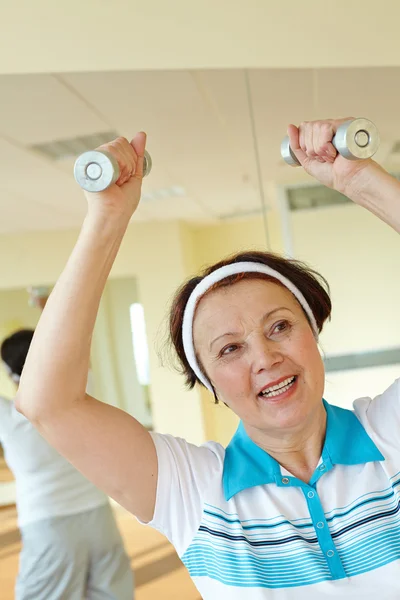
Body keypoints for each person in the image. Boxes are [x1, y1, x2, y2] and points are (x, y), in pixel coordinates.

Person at [14, 120, 400, 599]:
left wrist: (360, 181)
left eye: (280, 326)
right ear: (210, 382)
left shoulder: (390, 434)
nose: (265, 358)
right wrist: (108, 217)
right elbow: (49, 403)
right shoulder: (193, 491)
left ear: (313, 335)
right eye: (230, 349)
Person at [0, 329, 134, 600]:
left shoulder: (8, 417)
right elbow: (77, 348)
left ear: (9, 371)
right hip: (99, 518)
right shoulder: (81, 392)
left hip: (49, 527)